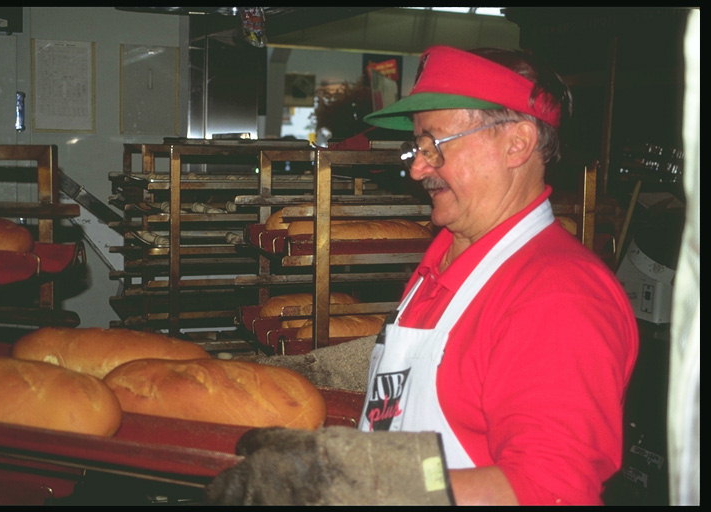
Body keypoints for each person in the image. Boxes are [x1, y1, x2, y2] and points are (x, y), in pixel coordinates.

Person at [207, 45, 639, 506]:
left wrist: (344, 482)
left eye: (436, 145)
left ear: (517, 143)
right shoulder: (445, 263)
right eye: (417, 146)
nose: (417, 168)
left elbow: (549, 492)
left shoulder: (556, 296)